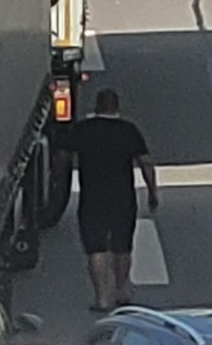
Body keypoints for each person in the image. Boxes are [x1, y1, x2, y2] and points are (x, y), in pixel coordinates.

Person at [55, 87, 159, 311]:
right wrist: (152, 192)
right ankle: (122, 290)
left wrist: (57, 181)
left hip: (92, 197)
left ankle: (102, 297)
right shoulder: (128, 131)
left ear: (97, 106)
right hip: (123, 197)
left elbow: (63, 156)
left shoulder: (83, 129)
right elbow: (146, 162)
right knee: (122, 247)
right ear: (117, 107)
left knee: (96, 248)